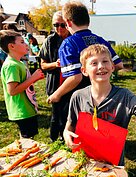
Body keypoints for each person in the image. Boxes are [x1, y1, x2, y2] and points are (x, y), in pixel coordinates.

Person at [63, 44, 136, 166]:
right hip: (84, 161)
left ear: (112, 66)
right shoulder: (78, 96)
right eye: (94, 63)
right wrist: (66, 134)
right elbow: (69, 127)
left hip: (112, 166)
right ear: (84, 71)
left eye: (105, 61)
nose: (101, 66)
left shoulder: (124, 96)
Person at [47, 1, 123, 104]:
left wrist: (56, 95)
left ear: (68, 23)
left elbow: (75, 77)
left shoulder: (68, 44)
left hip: (77, 99)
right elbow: (118, 64)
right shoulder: (100, 40)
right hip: (101, 95)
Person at [0, 30, 45, 138]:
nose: (26, 44)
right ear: (11, 46)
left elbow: (23, 84)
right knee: (27, 140)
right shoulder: (11, 66)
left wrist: (34, 79)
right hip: (21, 111)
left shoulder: (18, 63)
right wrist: (33, 78)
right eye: (22, 42)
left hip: (27, 109)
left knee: (30, 137)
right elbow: (12, 91)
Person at [38, 11, 71, 142]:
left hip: (72, 84)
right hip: (55, 84)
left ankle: (66, 138)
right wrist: (55, 64)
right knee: (55, 115)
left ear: (68, 24)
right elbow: (43, 65)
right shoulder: (50, 40)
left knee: (68, 114)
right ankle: (53, 139)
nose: (59, 28)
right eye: (56, 25)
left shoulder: (73, 38)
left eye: (62, 25)